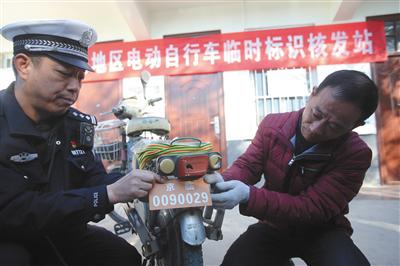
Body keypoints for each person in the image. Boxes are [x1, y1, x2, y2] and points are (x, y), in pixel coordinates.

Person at [0, 19, 163, 266]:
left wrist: (141, 182)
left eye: (80, 77)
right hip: (9, 236)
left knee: (122, 256)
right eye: (64, 74)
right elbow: (13, 211)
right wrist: (107, 194)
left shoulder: (74, 124)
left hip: (59, 232)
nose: (74, 87)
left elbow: (93, 179)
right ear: (23, 65)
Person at [204, 70, 378, 266]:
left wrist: (249, 195)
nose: (315, 129)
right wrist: (224, 181)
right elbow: (248, 165)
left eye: (334, 126)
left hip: (323, 230)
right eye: (317, 114)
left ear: (356, 125)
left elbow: (313, 208)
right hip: (273, 226)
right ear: (313, 94)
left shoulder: (355, 153)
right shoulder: (272, 126)